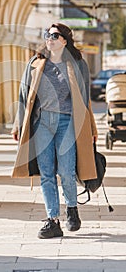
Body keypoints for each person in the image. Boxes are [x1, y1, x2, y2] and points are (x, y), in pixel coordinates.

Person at [11, 22, 98, 239]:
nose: (49, 38)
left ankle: (72, 208)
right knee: (47, 173)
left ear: (64, 41)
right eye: (46, 34)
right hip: (42, 123)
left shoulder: (77, 65)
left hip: (67, 121)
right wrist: (18, 124)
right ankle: (52, 220)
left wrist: (92, 128)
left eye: (54, 35)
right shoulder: (35, 63)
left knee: (67, 171)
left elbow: (85, 101)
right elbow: (24, 96)